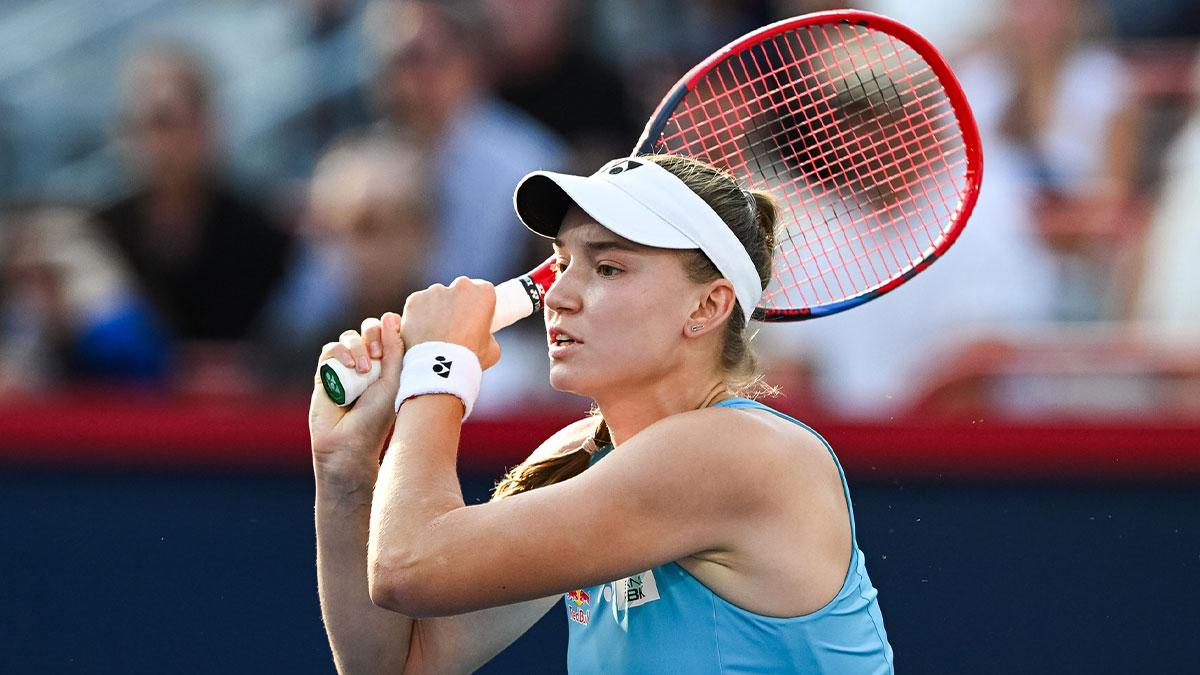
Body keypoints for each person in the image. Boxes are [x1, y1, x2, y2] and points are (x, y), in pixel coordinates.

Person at [309, 154, 893, 673]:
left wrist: (439, 366)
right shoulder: (582, 456)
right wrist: (345, 467)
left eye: (608, 267)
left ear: (707, 305)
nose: (561, 294)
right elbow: (395, 665)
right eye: (562, 263)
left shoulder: (735, 454)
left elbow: (408, 566)